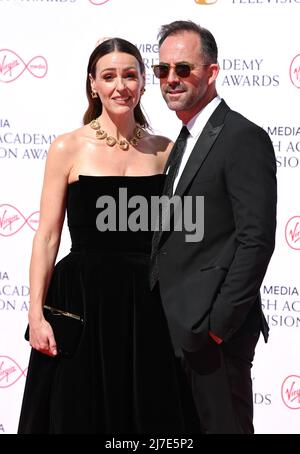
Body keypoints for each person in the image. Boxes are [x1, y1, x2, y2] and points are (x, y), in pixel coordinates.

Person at [18, 37, 186, 434]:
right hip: (81, 299)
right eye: (109, 76)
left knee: (149, 414)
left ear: (144, 82)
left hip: (147, 303)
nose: (120, 86)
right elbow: (46, 237)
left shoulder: (166, 150)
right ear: (93, 83)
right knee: (77, 412)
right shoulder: (67, 147)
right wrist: (36, 313)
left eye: (130, 75)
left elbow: (178, 238)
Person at [150, 20, 277, 434]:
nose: (171, 79)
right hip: (172, 333)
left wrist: (217, 327)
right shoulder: (180, 143)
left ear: (212, 72)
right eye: (162, 70)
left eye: (183, 69)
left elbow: (255, 239)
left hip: (211, 339)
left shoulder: (242, 137)